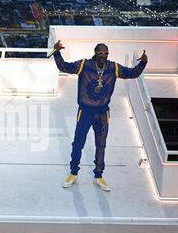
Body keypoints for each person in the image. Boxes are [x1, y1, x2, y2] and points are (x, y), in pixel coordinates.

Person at [52, 40, 148, 191]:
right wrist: (56, 52)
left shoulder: (113, 68)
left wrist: (143, 63)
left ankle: (98, 175)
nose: (103, 56)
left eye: (106, 53)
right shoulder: (85, 65)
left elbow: (132, 73)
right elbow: (64, 67)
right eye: (100, 53)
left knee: (101, 144)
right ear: (95, 53)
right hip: (86, 111)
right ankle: (73, 173)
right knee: (78, 142)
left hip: (103, 113)